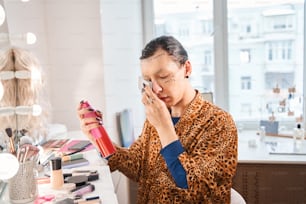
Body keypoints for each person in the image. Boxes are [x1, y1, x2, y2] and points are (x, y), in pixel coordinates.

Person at [77, 35, 238, 203]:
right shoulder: (157, 117)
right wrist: (98, 136)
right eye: (149, 80)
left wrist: (164, 128)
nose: (156, 89)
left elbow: (197, 190)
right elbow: (136, 165)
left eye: (164, 76)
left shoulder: (220, 123)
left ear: (187, 69)